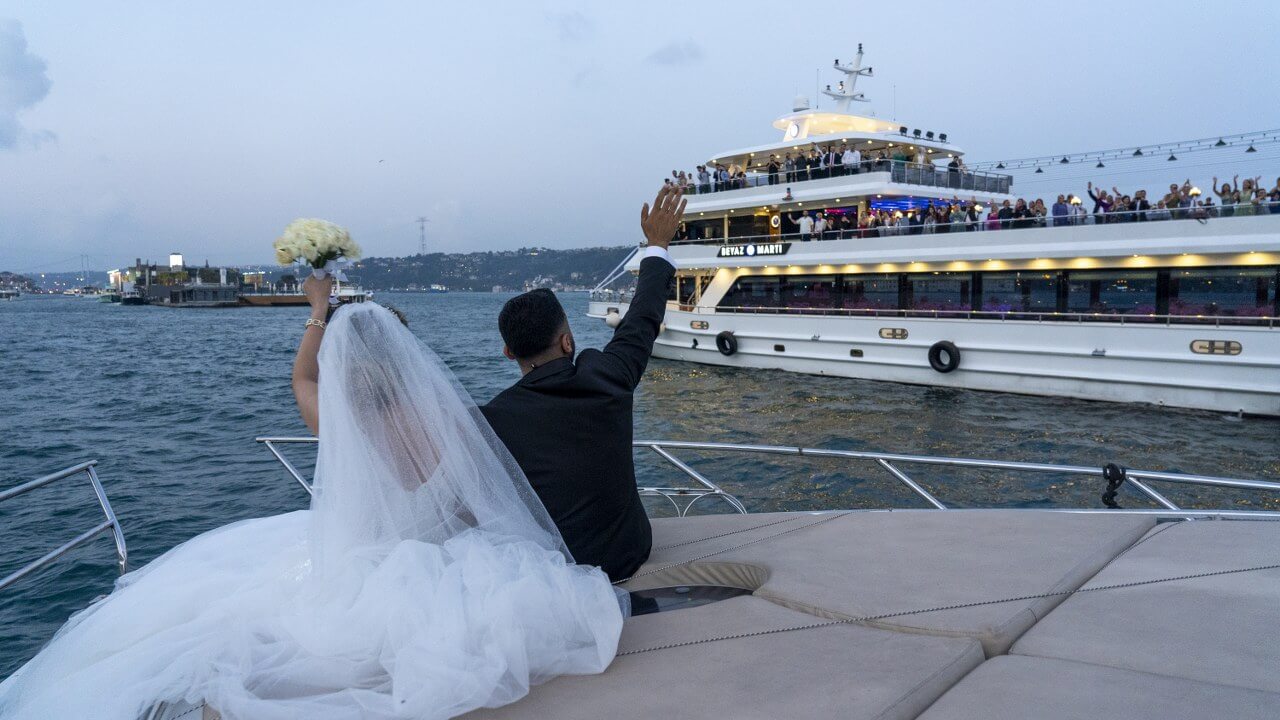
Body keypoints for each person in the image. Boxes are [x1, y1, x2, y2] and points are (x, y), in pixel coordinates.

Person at [0, 280, 626, 719]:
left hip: (357, 558)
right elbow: (471, 500)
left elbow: (301, 377)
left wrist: (318, 309)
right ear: (411, 362)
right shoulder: (452, 423)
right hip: (433, 563)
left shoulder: (336, 418)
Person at [481, 185, 682, 582]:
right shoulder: (606, 377)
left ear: (509, 353)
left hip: (553, 571)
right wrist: (656, 245)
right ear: (567, 341)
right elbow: (642, 320)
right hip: (629, 556)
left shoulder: (492, 420)